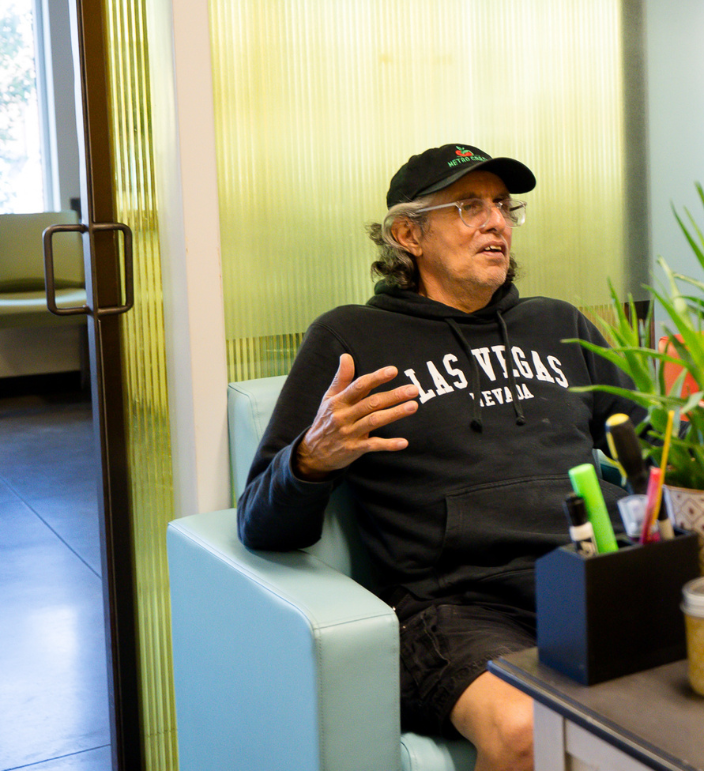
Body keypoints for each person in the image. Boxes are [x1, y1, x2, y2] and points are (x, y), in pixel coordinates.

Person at [237, 144, 630, 771]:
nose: (496, 222)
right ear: (407, 234)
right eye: (469, 207)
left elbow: (649, 455)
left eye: (502, 206)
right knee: (528, 728)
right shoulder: (350, 339)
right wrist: (312, 457)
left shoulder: (561, 324)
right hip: (454, 606)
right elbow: (258, 521)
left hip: (593, 576)